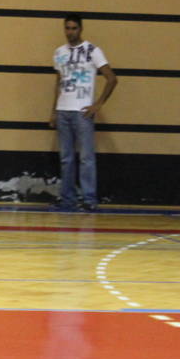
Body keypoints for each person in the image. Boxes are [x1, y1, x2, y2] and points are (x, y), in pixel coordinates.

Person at [50, 14, 118, 212]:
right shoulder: (59, 52)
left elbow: (112, 78)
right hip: (63, 110)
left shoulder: (92, 51)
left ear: (81, 29)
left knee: (86, 158)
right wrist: (54, 111)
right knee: (66, 158)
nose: (70, 32)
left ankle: (89, 199)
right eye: (67, 28)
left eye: (74, 28)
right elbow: (59, 82)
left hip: (82, 112)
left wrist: (98, 104)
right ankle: (67, 199)